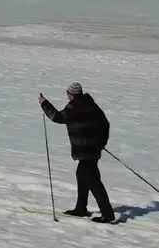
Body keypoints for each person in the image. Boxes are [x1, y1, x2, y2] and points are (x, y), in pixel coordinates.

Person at [38, 82, 116, 223]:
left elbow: (58, 117)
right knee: (83, 175)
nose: (67, 95)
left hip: (86, 150)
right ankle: (81, 208)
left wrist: (44, 104)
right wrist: (101, 143)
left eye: (68, 93)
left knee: (91, 179)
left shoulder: (76, 106)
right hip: (93, 149)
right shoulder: (90, 104)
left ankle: (107, 213)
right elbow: (105, 124)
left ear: (72, 94)